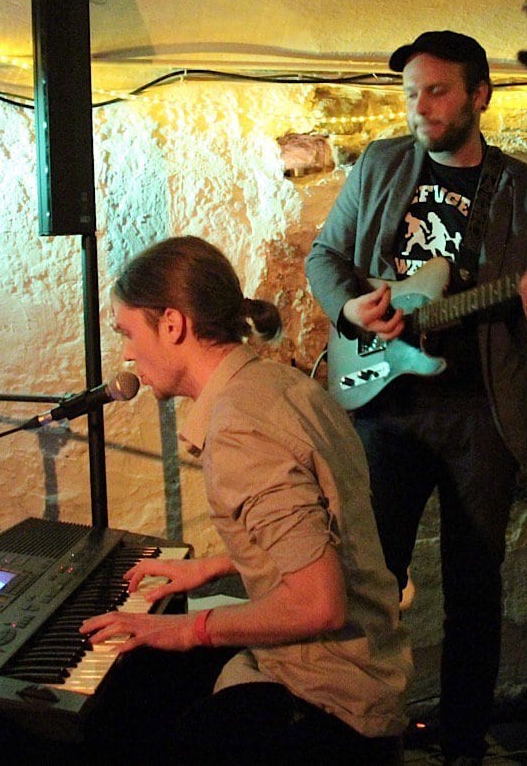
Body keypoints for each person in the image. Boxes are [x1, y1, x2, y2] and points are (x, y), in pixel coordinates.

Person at [304, 29, 527, 765]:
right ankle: (359, 736)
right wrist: (351, 307)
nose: (420, 107)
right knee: (371, 580)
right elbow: (325, 255)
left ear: (480, 95)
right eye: (411, 93)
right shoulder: (383, 163)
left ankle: (463, 746)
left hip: (481, 414)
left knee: (474, 590)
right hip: (385, 408)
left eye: (437, 91)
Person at [79, 235, 411, 764]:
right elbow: (321, 533)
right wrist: (214, 567)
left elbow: (319, 604)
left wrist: (187, 629)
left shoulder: (240, 429)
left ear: (172, 324)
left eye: (128, 332)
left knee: (124, 710)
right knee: (153, 681)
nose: (126, 353)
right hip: (361, 678)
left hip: (330, 707)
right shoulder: (279, 385)